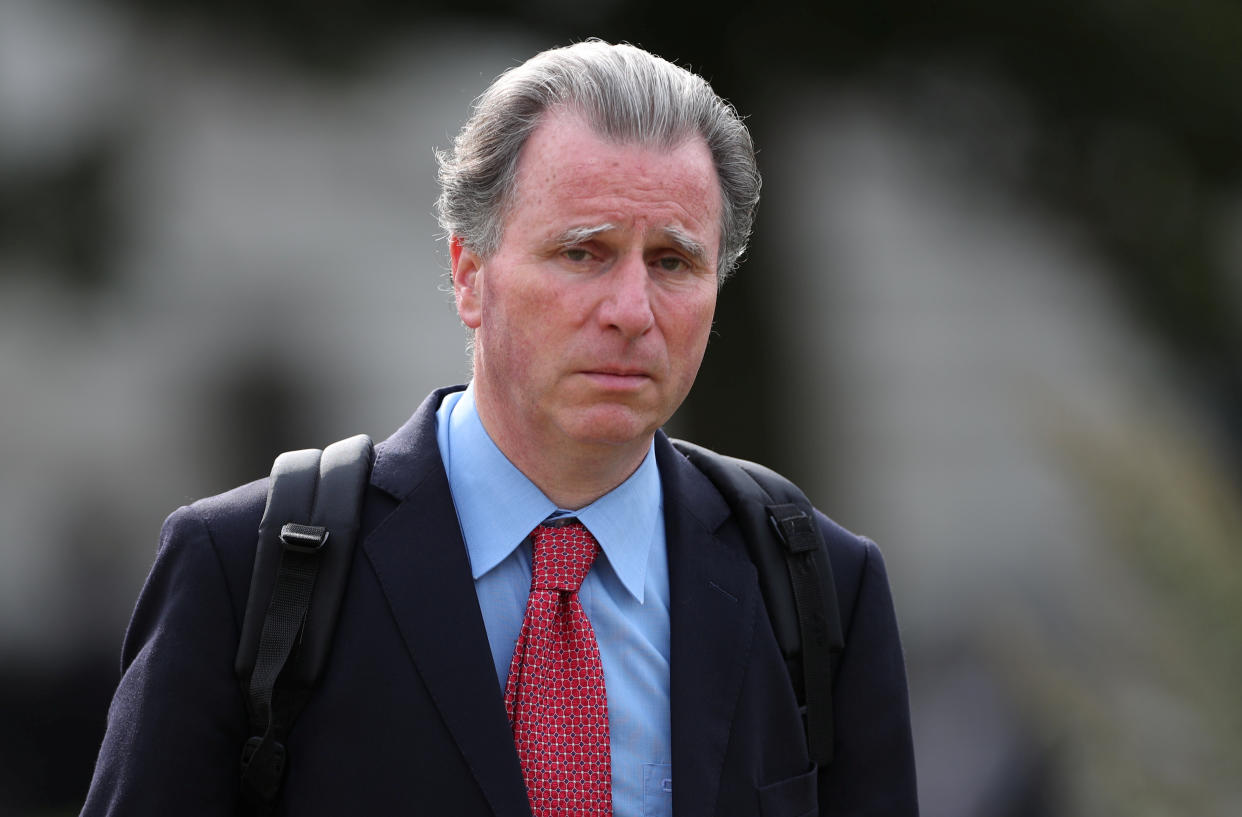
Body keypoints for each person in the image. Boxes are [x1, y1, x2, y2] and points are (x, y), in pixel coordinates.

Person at [81, 40, 917, 817]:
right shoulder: (243, 570)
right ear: (470, 274)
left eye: (672, 261)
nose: (632, 311)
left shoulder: (818, 584)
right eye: (583, 253)